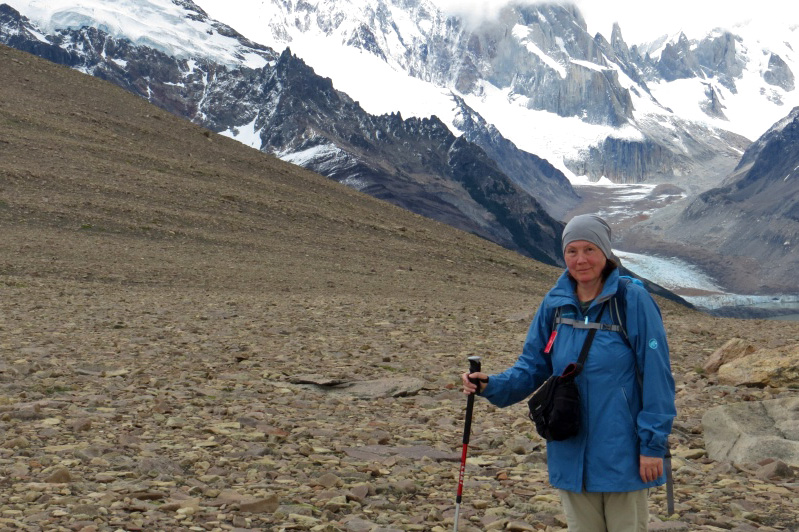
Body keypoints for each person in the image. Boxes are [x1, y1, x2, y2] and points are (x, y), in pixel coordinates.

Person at [462, 214, 676, 532]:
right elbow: (534, 366)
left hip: (623, 453)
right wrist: (491, 385)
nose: (580, 260)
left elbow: (657, 375)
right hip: (570, 450)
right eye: (572, 251)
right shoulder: (555, 304)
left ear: (605, 252)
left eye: (589, 249)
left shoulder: (631, 300)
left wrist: (652, 446)